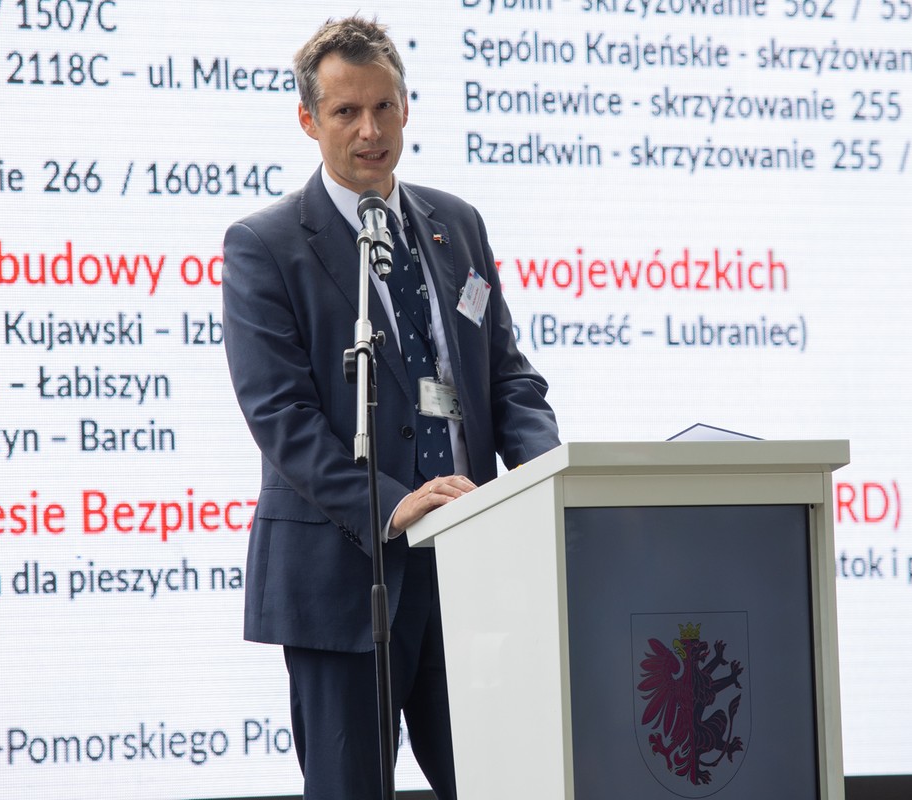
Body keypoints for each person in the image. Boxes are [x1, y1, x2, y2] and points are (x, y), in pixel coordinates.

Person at [221, 16, 561, 800]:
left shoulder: (456, 224)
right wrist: (390, 504)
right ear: (308, 120)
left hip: (472, 570)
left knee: (504, 783)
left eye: (384, 107)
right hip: (346, 580)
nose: (370, 131)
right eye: (346, 112)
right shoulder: (266, 245)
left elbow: (507, 379)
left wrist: (548, 480)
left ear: (407, 107)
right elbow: (280, 416)